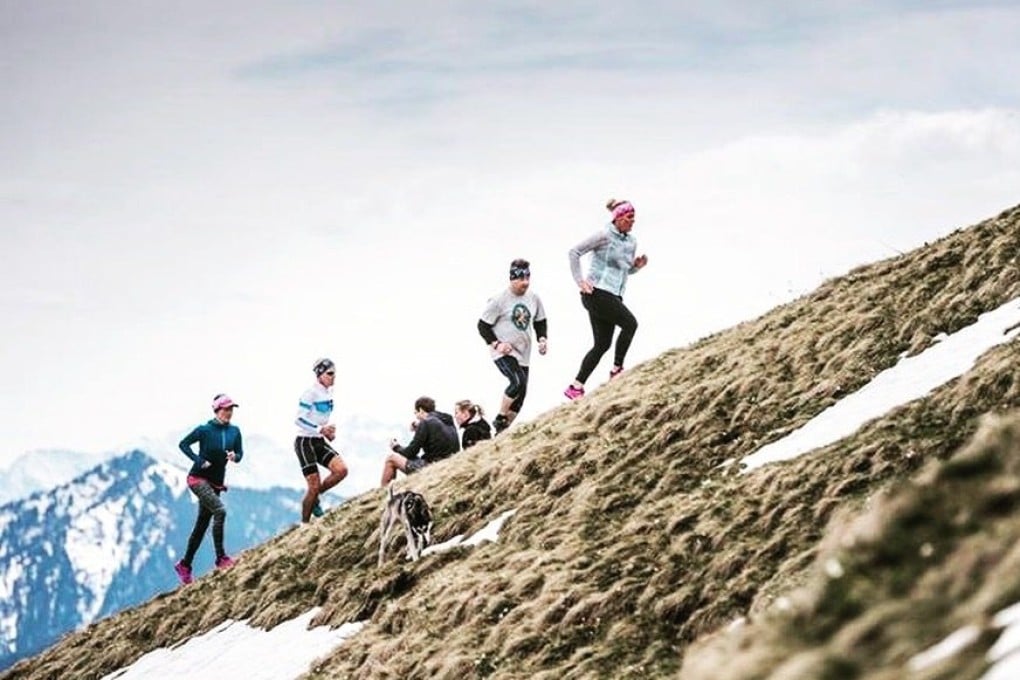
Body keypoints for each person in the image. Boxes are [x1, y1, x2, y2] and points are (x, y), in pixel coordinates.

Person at [564, 198, 649, 400]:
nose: (632, 221)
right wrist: (580, 281)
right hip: (596, 293)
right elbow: (574, 252)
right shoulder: (603, 235)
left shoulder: (631, 242)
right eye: (629, 218)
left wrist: (636, 266)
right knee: (630, 324)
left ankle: (575, 387)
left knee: (602, 344)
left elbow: (625, 271)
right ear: (618, 218)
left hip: (614, 295)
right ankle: (617, 370)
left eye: (634, 218)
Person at [174, 394, 244, 584]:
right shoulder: (204, 430)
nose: (229, 412)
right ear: (216, 410)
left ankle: (185, 565)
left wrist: (234, 456)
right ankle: (221, 558)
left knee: (202, 525)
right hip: (197, 478)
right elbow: (183, 444)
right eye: (225, 409)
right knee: (220, 511)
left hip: (216, 483)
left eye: (231, 409)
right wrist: (199, 461)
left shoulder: (235, 431)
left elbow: (240, 454)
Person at [477, 258, 548, 434]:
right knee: (517, 382)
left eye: (528, 279)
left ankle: (503, 431)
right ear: (512, 279)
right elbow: (482, 325)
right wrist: (497, 343)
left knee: (521, 394)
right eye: (521, 279)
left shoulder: (533, 298)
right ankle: (500, 417)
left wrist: (542, 338)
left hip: (524, 353)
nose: (526, 283)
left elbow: (540, 320)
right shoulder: (499, 300)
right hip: (503, 351)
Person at [294, 358, 349, 523]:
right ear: (319, 375)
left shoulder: (328, 392)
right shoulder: (310, 393)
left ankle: (315, 497)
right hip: (304, 442)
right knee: (313, 485)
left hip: (318, 440)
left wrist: (328, 431)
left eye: (334, 374)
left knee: (341, 470)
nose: (333, 377)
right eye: (329, 374)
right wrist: (320, 429)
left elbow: (319, 417)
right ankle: (304, 524)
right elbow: (299, 419)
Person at [380, 396, 459, 486]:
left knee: (391, 459)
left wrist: (396, 447)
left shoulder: (426, 422)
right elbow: (437, 433)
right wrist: (419, 428)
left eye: (416, 413)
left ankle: (382, 493)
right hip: (449, 464)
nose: (417, 417)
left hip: (432, 467)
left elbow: (410, 452)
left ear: (421, 410)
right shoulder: (448, 420)